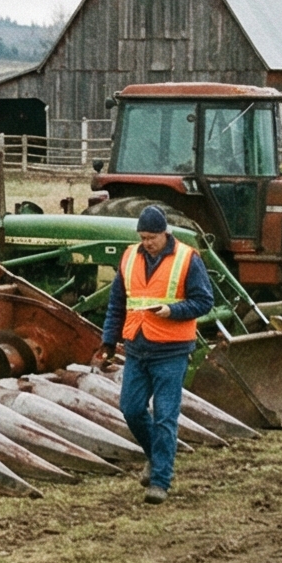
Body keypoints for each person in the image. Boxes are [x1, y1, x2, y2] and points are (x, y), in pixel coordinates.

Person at [98, 205, 213, 504]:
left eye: (152, 237)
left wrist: (172, 311)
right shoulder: (129, 257)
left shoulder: (188, 259)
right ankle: (154, 454)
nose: (146, 242)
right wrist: (108, 342)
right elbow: (117, 304)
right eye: (143, 237)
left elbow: (204, 302)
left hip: (172, 350)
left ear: (165, 233)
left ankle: (160, 481)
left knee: (165, 416)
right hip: (137, 347)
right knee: (131, 409)